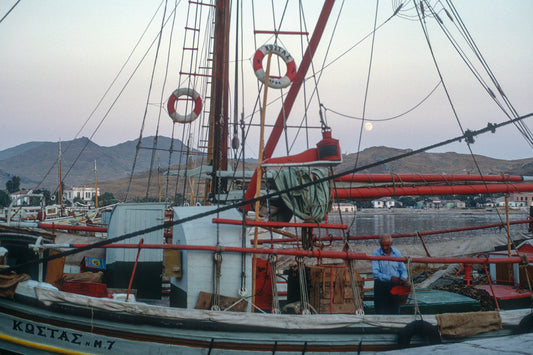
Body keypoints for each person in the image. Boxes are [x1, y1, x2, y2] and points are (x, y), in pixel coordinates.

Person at [372, 234, 408, 314]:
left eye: (387, 245)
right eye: (382, 245)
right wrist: (390, 278)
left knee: (395, 311)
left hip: (395, 286)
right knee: (381, 312)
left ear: (391, 244)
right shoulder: (376, 254)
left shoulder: (397, 253)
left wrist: (403, 278)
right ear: (380, 244)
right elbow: (375, 273)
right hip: (381, 286)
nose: (385, 248)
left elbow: (403, 270)